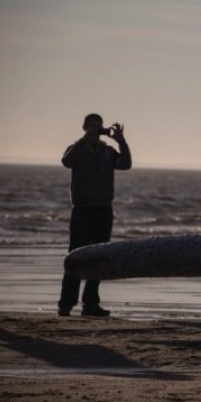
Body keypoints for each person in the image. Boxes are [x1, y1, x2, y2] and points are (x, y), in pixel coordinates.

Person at [58, 113, 132, 317]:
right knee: (75, 256)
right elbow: (67, 161)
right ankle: (65, 304)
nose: (94, 129)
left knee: (98, 257)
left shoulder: (107, 151)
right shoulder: (76, 148)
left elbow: (125, 164)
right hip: (82, 209)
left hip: (103, 209)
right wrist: (84, 140)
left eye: (98, 126)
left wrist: (121, 141)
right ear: (84, 127)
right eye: (91, 126)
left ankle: (90, 303)